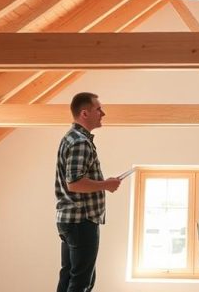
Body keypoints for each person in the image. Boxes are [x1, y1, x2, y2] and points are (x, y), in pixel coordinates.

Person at [55, 92, 122, 292]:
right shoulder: (80, 142)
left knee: (69, 276)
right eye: (98, 109)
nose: (103, 113)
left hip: (70, 219)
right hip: (81, 220)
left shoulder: (72, 138)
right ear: (85, 113)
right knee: (82, 281)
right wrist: (106, 185)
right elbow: (74, 183)